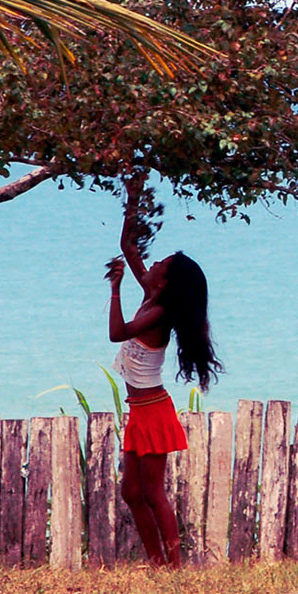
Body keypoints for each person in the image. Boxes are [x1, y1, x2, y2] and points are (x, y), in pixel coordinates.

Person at [107, 211, 222, 567]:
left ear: (166, 280)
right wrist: (132, 200)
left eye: (162, 263)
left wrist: (115, 290)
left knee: (153, 493)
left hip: (154, 411)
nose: (154, 263)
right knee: (132, 493)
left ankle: (174, 566)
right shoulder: (152, 295)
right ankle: (158, 563)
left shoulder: (159, 313)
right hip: (140, 409)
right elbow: (128, 247)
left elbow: (117, 333)